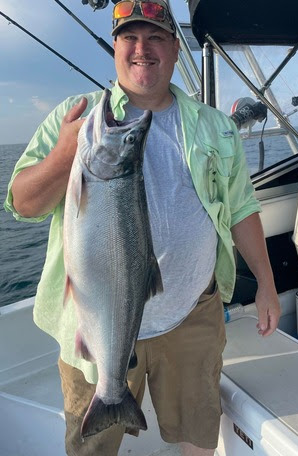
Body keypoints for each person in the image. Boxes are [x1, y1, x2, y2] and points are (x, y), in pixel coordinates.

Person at [4, 1, 281, 455]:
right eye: (130, 37)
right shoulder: (75, 117)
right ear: (114, 47)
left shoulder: (214, 127)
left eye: (155, 38)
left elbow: (242, 209)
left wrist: (267, 284)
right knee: (91, 446)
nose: (142, 49)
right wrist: (63, 155)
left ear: (174, 48)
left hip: (193, 315)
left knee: (197, 435)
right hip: (91, 326)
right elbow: (22, 204)